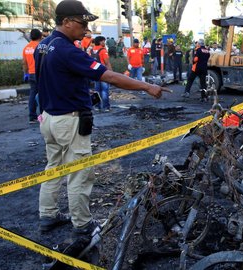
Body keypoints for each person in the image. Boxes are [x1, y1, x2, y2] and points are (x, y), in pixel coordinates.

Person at [34, 0, 170, 238]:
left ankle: (48, 214)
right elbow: (109, 76)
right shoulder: (69, 51)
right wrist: (146, 86)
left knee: (53, 167)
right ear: (65, 22)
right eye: (81, 24)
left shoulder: (43, 46)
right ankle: (83, 224)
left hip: (49, 118)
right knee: (80, 172)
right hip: (69, 120)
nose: (86, 30)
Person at [22, 29, 43, 124]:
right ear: (40, 36)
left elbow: (24, 63)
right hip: (40, 73)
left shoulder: (26, 48)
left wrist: (25, 73)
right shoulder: (40, 47)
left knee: (32, 94)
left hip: (30, 73)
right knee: (43, 94)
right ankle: (44, 115)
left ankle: (32, 116)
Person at [91, 36, 112, 112]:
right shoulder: (103, 50)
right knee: (104, 90)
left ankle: (97, 106)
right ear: (100, 42)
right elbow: (107, 62)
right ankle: (106, 107)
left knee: (97, 90)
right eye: (103, 41)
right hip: (103, 72)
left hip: (95, 72)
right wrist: (111, 73)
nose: (104, 42)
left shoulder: (92, 50)